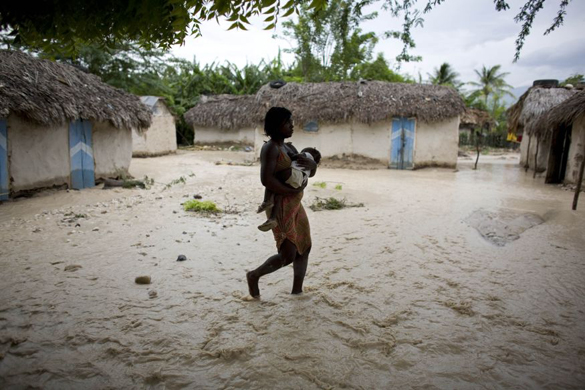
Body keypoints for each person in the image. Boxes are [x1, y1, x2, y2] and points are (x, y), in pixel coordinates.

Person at [246, 107, 317, 298]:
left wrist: (313, 166)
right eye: (288, 122)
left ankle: (297, 292)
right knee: (288, 255)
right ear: (276, 125)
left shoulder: (290, 148)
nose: (292, 125)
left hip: (295, 204)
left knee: (304, 246)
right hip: (280, 205)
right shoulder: (270, 148)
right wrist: (291, 191)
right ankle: (254, 276)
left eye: (292, 122)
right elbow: (266, 179)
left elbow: (305, 171)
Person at [256, 146, 321, 232]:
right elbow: (309, 176)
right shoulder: (310, 166)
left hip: (293, 174)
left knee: (274, 178)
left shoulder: (307, 155)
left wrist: (291, 155)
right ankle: (272, 218)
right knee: (279, 194)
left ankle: (267, 201)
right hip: (299, 181)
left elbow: (297, 157)